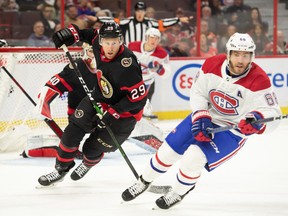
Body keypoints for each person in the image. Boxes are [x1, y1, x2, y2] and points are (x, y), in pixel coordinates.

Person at [121, 32, 282, 209]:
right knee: (167, 151)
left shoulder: (259, 80)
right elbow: (198, 92)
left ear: (252, 56)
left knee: (193, 158)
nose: (241, 60)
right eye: (236, 54)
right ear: (228, 54)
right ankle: (144, 181)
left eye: (245, 55)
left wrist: (258, 121)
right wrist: (201, 113)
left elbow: (273, 114)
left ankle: (178, 192)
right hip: (205, 116)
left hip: (231, 130)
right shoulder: (213, 64)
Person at [37, 22, 147, 186]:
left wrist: (113, 112)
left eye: (114, 42)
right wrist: (71, 34)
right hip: (99, 99)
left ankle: (88, 163)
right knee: (72, 133)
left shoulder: (127, 65)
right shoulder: (97, 41)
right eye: (107, 42)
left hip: (125, 114)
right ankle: (61, 169)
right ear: (101, 41)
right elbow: (88, 34)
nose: (110, 47)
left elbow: (139, 98)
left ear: (121, 41)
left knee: (92, 148)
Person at [87, 1, 192, 44]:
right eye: (138, 10)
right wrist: (97, 19)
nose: (139, 13)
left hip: (144, 53)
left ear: (145, 12)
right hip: (129, 53)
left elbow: (163, 23)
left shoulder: (150, 22)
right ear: (135, 11)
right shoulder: (128, 21)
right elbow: (113, 21)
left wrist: (178, 19)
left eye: (141, 11)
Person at [128, 28, 171, 119]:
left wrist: (159, 69)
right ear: (146, 37)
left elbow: (167, 73)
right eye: (152, 37)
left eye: (156, 38)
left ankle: (143, 114)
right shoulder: (132, 46)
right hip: (131, 79)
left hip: (147, 81)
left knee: (142, 104)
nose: (154, 40)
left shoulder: (162, 54)